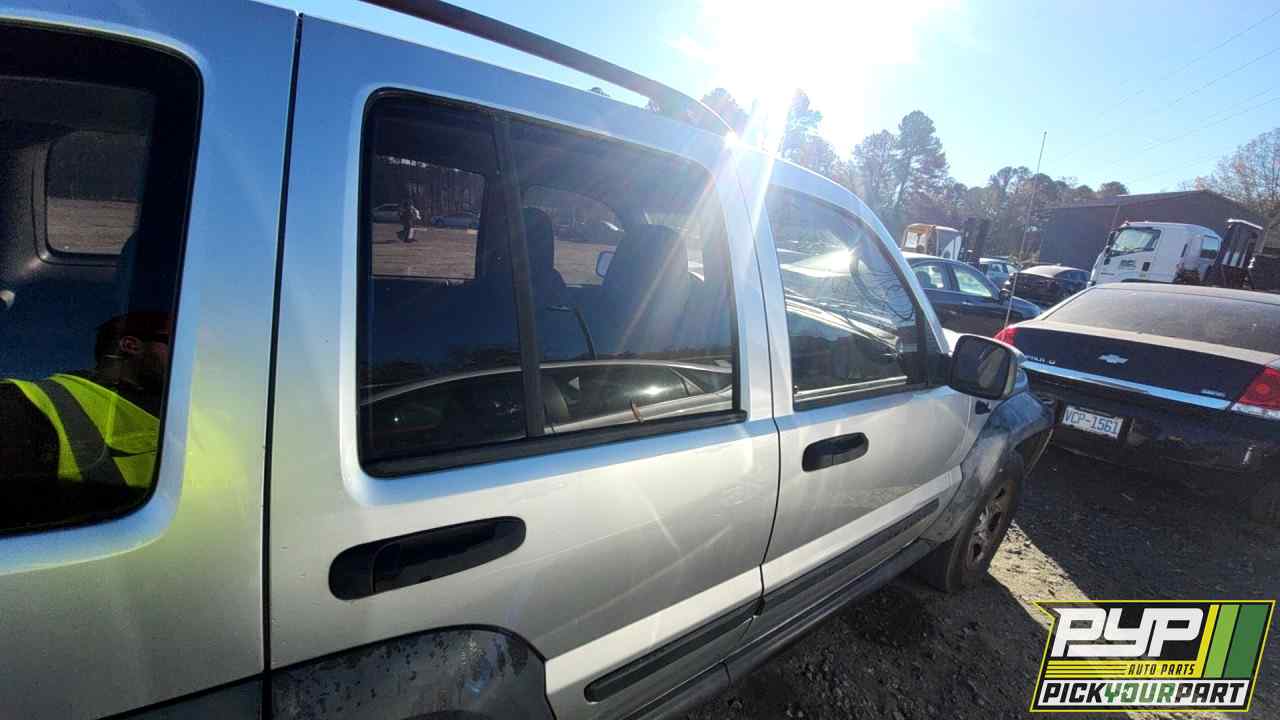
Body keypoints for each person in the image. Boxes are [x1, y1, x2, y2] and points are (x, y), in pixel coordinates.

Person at [1, 312, 170, 492]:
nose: (183, 354)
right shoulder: (20, 402)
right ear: (130, 345)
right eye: (173, 342)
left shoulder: (176, 407)